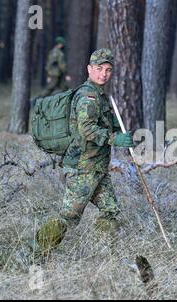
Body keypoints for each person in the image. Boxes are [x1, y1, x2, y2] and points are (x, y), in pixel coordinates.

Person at [35, 48, 134, 255]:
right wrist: (115, 138)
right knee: (68, 217)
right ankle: (36, 253)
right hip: (82, 169)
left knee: (110, 210)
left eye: (108, 70)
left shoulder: (100, 96)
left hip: (96, 168)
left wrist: (115, 127)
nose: (103, 74)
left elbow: (100, 125)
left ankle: (106, 256)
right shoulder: (87, 96)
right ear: (89, 69)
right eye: (99, 69)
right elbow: (86, 129)